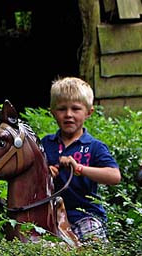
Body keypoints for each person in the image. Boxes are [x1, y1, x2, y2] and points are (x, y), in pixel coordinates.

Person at [42, 77, 121, 243]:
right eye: (62, 109)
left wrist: (79, 168)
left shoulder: (94, 146)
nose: (69, 115)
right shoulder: (45, 144)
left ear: (88, 112)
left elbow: (114, 176)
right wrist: (44, 173)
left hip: (86, 216)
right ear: (52, 112)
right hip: (50, 215)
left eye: (76, 109)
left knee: (93, 254)